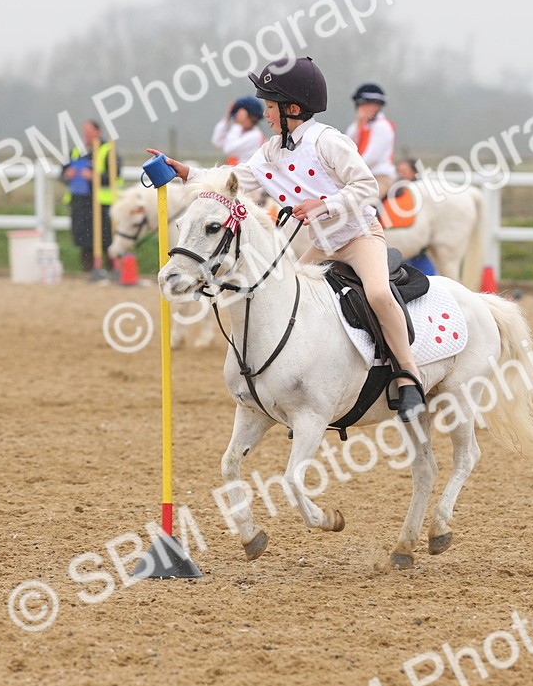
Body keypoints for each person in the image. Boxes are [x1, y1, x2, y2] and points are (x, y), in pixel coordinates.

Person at [148, 57, 424, 420]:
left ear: (292, 108)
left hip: (360, 237)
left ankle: (408, 377)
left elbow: (367, 186)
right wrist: (187, 172)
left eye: (268, 107)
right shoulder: (272, 151)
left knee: (376, 293)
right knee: (283, 292)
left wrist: (323, 205)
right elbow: (238, 177)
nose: (265, 114)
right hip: (324, 244)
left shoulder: (329, 142)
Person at [62, 120, 120, 275]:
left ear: (98, 131)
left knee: (106, 238)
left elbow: (115, 176)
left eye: (89, 130)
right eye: (84, 130)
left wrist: (95, 177)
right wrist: (68, 175)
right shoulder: (75, 151)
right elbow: (62, 174)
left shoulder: (108, 150)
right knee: (84, 239)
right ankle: (89, 270)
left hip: (102, 203)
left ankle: (112, 269)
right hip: (80, 203)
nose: (86, 134)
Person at [346, 83, 396, 200]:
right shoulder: (358, 126)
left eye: (364, 105)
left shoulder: (382, 126)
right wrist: (359, 123)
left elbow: (370, 158)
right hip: (361, 177)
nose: (360, 109)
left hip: (380, 178)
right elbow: (347, 146)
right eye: (359, 105)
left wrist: (348, 172)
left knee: (362, 205)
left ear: (377, 106)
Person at [211, 96, 266, 165]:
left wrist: (238, 124)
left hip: (246, 175)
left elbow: (229, 148)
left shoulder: (255, 136)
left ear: (251, 116)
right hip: (237, 173)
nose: (235, 119)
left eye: (238, 114)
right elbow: (217, 141)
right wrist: (227, 117)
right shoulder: (240, 132)